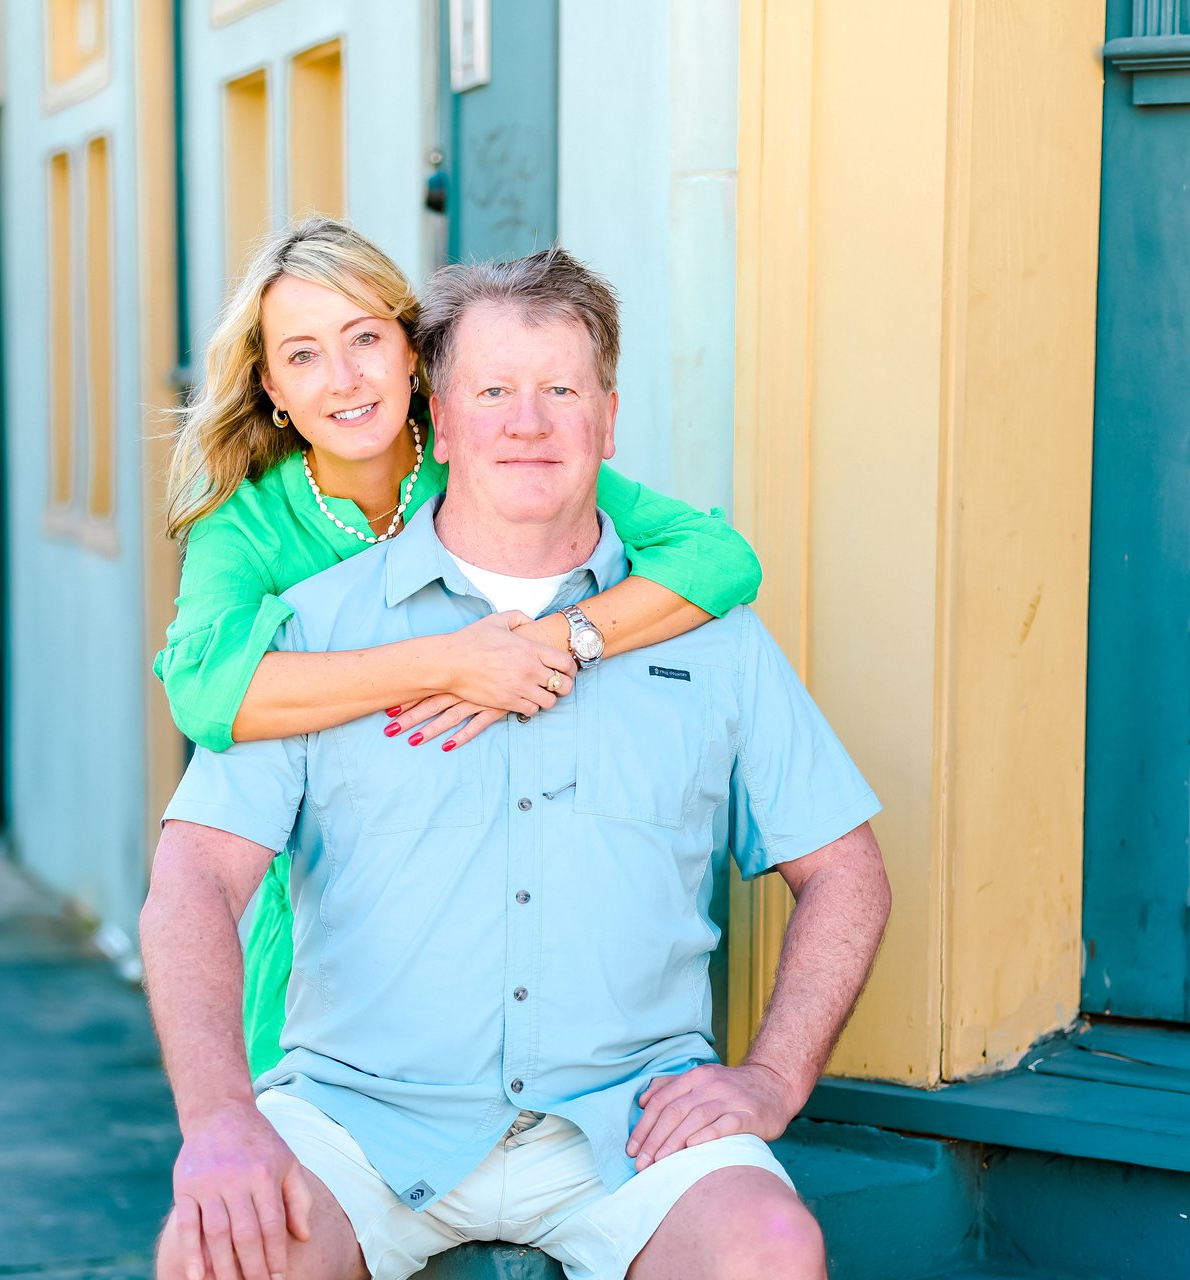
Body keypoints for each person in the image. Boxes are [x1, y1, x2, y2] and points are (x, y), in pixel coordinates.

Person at [141, 248, 893, 1280]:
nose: (527, 423)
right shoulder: (307, 630)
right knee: (218, 1257)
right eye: (493, 392)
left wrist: (771, 1077)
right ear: (443, 421)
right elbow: (193, 872)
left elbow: (847, 868)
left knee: (768, 1249)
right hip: (360, 1111)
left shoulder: (711, 636)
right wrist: (221, 1115)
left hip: (633, 1116)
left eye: (561, 392)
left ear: (609, 420)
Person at [155, 218, 764, 1078]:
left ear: (414, 352)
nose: (344, 379)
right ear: (272, 387)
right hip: (327, 931)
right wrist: (449, 662)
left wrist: (558, 640)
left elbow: (720, 557)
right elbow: (206, 690)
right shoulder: (247, 524)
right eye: (303, 355)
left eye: (366, 339)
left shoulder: (483, 452)